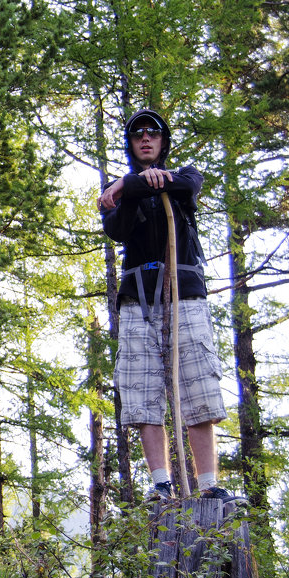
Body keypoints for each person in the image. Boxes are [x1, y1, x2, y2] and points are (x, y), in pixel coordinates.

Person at [97, 108, 238, 503]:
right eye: (138, 133)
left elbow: (188, 186)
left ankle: (209, 485)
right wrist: (130, 185)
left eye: (153, 133)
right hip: (138, 299)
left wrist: (131, 184)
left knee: (198, 385)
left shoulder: (184, 177)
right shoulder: (118, 193)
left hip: (185, 294)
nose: (146, 138)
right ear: (131, 143)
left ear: (163, 141)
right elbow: (116, 227)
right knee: (141, 389)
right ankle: (160, 483)